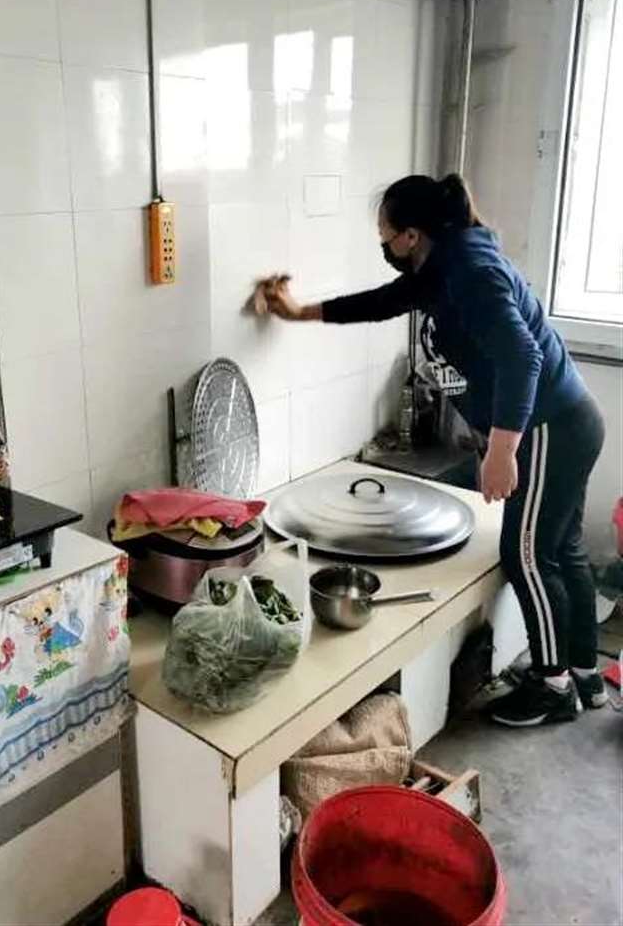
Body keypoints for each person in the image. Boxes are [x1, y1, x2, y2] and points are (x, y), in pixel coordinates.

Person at [259, 173, 607, 727]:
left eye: (384, 234)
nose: (383, 243)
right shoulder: (442, 265)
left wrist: (502, 450)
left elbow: (523, 357)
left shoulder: (469, 271)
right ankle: (585, 675)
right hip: (566, 419)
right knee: (561, 549)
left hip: (549, 427)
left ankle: (553, 686)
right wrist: (300, 312)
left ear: (412, 236)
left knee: (526, 555)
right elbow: (382, 302)